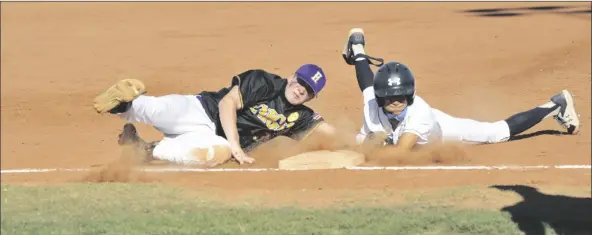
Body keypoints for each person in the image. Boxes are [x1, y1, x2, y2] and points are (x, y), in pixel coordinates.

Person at [341, 28, 581, 150]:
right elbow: (366, 81)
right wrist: (358, 48)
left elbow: (401, 151)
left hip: (443, 132)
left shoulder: (420, 113)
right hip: (392, 136)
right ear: (380, 97)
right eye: (389, 96)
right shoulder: (373, 100)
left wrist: (373, 147)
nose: (395, 101)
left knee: (496, 132)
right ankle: (358, 46)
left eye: (401, 96)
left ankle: (556, 104)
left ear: (410, 94)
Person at [93, 64, 335, 167]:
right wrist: (238, 146)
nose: (301, 89)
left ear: (312, 97)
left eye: (309, 91)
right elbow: (227, 104)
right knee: (156, 109)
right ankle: (123, 104)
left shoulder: (301, 116)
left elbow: (334, 135)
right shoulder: (264, 82)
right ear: (292, 77)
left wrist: (368, 142)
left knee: (216, 153)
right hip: (200, 109)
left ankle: (144, 150)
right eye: (300, 82)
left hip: (212, 139)